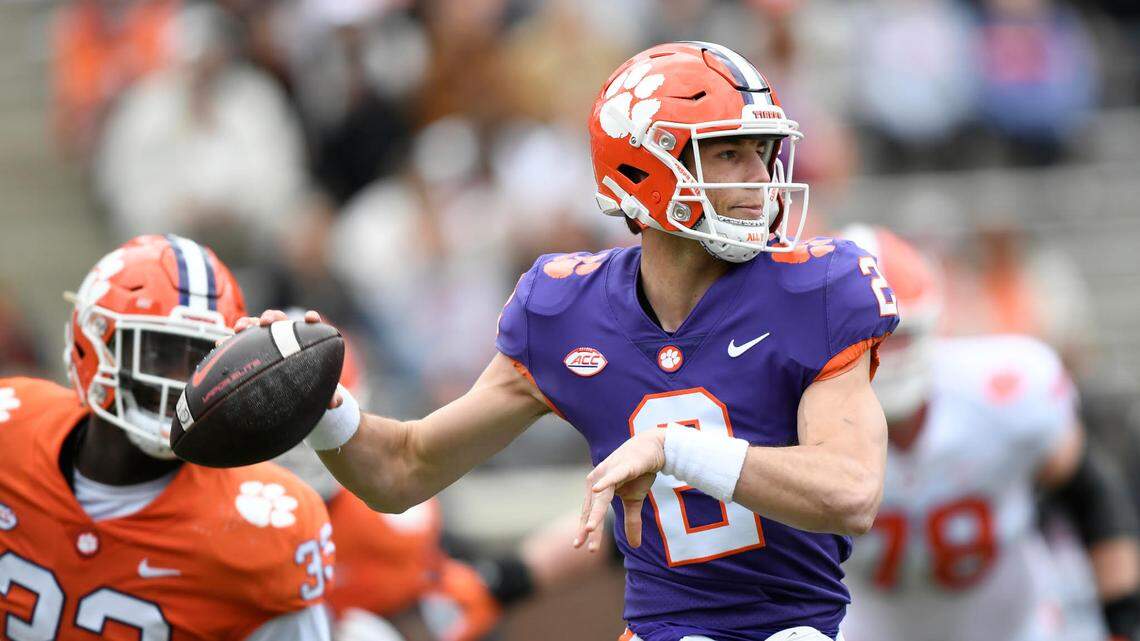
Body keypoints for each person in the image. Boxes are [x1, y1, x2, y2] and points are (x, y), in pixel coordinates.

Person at [241, 42, 899, 641]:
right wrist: (327, 412)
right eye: (730, 152)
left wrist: (677, 450)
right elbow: (406, 467)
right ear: (644, 170)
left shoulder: (817, 286)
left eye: (762, 150)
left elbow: (849, 492)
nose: (759, 176)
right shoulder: (566, 310)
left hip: (796, 629)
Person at [0, 235, 333, 639]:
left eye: (200, 360)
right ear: (96, 344)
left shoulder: (268, 525)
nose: (178, 382)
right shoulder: (9, 433)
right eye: (159, 353)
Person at [837, 225, 1140, 641]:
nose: (883, 357)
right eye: (863, 343)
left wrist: (1122, 622)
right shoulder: (783, 421)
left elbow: (1092, 495)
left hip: (1016, 627)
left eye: (896, 337)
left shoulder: (1007, 391)